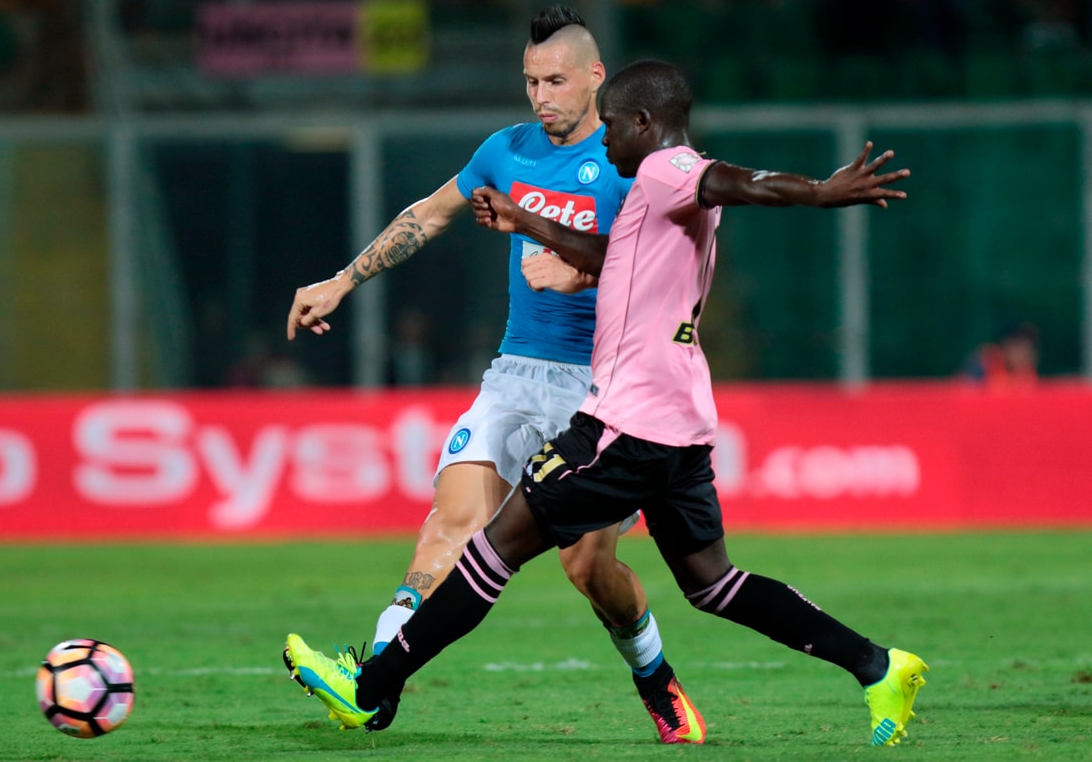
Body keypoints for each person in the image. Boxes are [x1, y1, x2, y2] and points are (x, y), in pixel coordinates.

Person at [284, 59, 930, 748]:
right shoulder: (657, 194)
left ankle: (368, 690)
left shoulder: (667, 168)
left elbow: (734, 181)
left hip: (624, 426)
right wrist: (524, 219)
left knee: (494, 551)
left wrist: (819, 192)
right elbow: (611, 251)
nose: (608, 138)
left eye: (616, 126)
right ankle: (878, 666)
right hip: (681, 426)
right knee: (713, 583)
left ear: (644, 123)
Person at [284, 8, 705, 743]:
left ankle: (655, 678)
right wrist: (343, 280)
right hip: (514, 374)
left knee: (589, 567)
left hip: (605, 389)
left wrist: (579, 275)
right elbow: (430, 214)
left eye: (556, 81)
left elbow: (663, 269)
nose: (541, 96)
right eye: (531, 81)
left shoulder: (635, 161)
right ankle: (373, 680)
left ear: (596, 78)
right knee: (448, 524)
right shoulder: (505, 150)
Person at [962, 320, 1039, 389]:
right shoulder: (987, 362)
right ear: (1006, 345)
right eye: (1018, 347)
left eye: (1028, 349)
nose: (1024, 354)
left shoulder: (1028, 375)